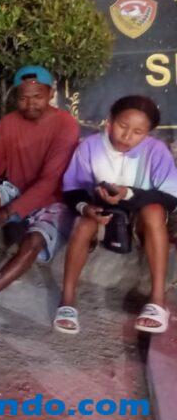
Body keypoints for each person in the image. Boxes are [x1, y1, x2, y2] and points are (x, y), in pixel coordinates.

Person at [54, 95, 177, 335]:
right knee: (83, 222)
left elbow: (171, 198)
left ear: (148, 133)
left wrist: (128, 193)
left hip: (140, 219)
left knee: (154, 211)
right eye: (122, 125)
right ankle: (67, 301)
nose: (127, 136)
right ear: (110, 121)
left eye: (138, 132)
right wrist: (86, 207)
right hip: (103, 215)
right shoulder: (90, 147)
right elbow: (72, 189)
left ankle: (157, 302)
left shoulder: (156, 151)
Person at [0, 66, 80, 300]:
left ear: (50, 94)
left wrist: (7, 212)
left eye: (37, 96)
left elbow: (49, 181)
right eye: (23, 98)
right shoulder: (9, 123)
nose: (30, 104)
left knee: (33, 242)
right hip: (16, 188)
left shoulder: (66, 125)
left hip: (53, 199)